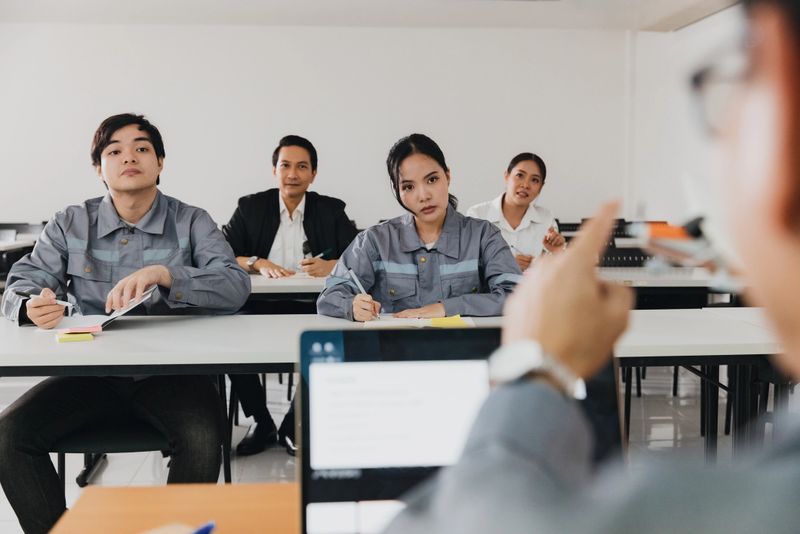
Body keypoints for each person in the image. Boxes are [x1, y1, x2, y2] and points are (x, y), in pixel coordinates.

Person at [385, 1, 800, 532]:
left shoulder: (669, 510)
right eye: (519, 175)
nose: (525, 185)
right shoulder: (470, 222)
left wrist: (537, 370)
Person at [0, 113, 250, 534]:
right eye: (113, 151)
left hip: (174, 374)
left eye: (141, 148)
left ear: (160, 162)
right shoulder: (70, 222)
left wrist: (166, 274)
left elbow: (235, 285)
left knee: (206, 438)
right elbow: (21, 283)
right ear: (99, 168)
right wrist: (30, 306)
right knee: (7, 437)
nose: (128, 157)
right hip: (90, 375)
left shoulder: (192, 221)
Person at [222, 135, 358, 456]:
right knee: (226, 340)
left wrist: (330, 265)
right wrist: (257, 262)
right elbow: (223, 254)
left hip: (313, 303)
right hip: (256, 303)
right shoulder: (250, 207)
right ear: (274, 171)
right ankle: (262, 420)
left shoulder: (331, 210)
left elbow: (360, 256)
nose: (292, 174)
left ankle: (294, 422)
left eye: (301, 167)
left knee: (334, 339)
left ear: (313, 174)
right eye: (285, 165)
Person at [317, 133, 521, 322]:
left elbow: (517, 297)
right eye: (408, 187)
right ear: (397, 191)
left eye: (432, 179)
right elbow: (329, 296)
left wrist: (446, 308)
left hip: (464, 354)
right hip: (395, 354)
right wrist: (351, 306)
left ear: (447, 176)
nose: (423, 195)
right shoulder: (375, 241)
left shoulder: (483, 236)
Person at [466, 152, 566, 272]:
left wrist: (557, 251)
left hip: (531, 290)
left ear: (540, 187)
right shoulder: (477, 215)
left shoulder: (546, 218)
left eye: (534, 180)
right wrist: (505, 264)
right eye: (520, 175)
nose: (525, 185)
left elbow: (555, 273)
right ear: (506, 176)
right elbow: (466, 264)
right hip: (489, 290)